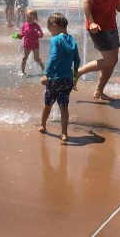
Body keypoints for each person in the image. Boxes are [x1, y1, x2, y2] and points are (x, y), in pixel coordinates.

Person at [39, 13, 80, 144]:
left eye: (50, 30)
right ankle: (64, 133)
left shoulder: (55, 40)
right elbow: (77, 60)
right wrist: (74, 77)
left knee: (48, 104)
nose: (51, 33)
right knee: (64, 106)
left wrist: (46, 73)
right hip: (67, 79)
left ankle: (43, 125)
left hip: (54, 79)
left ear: (54, 26)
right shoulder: (72, 40)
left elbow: (54, 56)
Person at [19, 9, 45, 75]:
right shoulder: (24, 25)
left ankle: (42, 66)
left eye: (30, 18)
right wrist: (19, 36)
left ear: (35, 18)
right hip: (27, 44)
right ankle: (23, 72)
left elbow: (41, 35)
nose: (28, 20)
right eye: (27, 18)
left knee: (36, 58)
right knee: (24, 58)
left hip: (35, 44)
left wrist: (39, 34)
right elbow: (22, 34)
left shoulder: (37, 26)